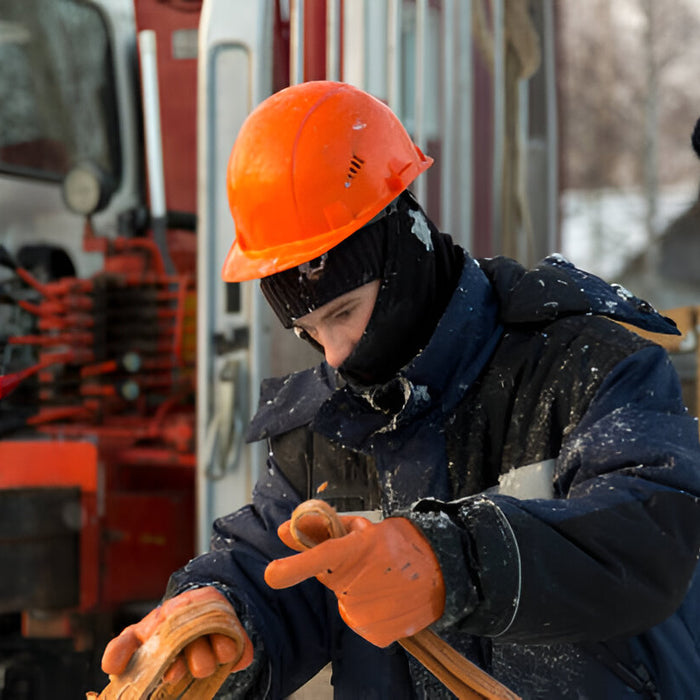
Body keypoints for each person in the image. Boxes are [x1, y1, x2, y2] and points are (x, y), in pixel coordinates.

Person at [101, 81, 700, 699]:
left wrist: (451, 562)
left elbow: (653, 531)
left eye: (343, 312)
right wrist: (219, 613)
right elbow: (274, 572)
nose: (334, 353)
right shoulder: (326, 428)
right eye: (308, 329)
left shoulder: (581, 364)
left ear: (405, 250)